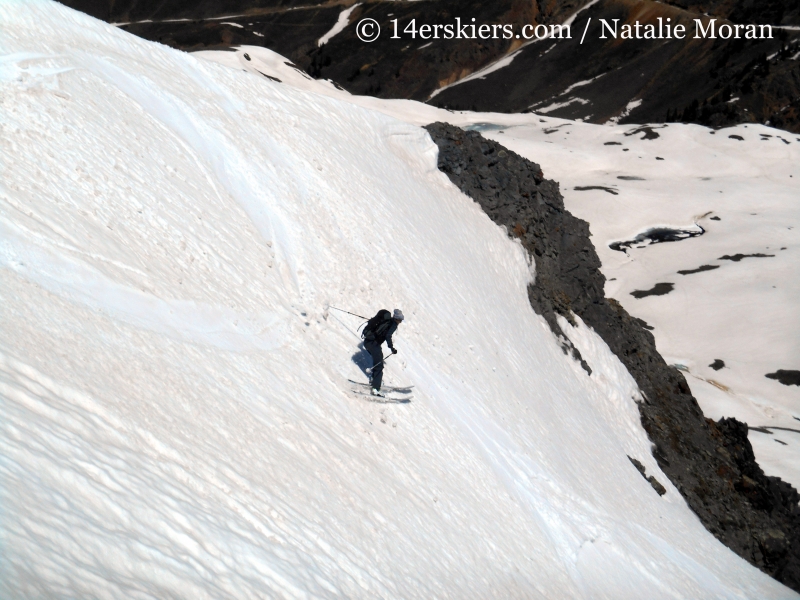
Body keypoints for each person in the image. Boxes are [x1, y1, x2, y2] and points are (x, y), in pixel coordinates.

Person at [362, 308, 404, 396]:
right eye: (400, 320)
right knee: (379, 365)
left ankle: (374, 380)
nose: (400, 322)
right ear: (397, 319)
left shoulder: (385, 321)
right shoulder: (393, 325)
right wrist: (391, 348)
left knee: (377, 361)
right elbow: (388, 336)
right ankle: (376, 389)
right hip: (374, 344)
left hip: (367, 342)